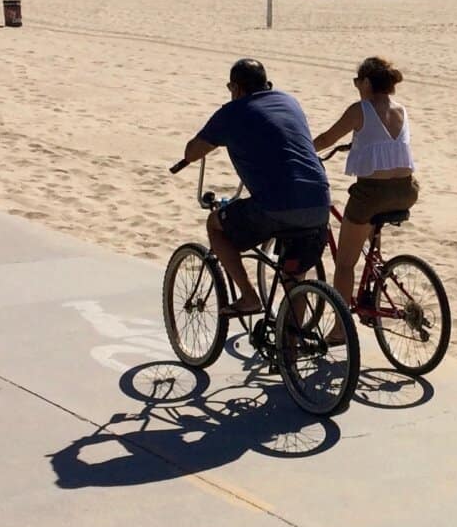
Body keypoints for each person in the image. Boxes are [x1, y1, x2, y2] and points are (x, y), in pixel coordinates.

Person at [175, 58, 331, 318]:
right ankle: (290, 352)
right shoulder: (289, 102)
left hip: (277, 205)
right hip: (319, 201)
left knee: (216, 224)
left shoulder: (232, 112)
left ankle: (248, 297)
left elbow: (192, 151)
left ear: (236, 88)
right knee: (294, 279)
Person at [312, 55, 416, 332]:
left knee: (345, 263)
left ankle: (339, 329)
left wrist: (303, 152)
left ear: (367, 82)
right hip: (406, 190)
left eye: (357, 81)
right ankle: (374, 282)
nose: (356, 85)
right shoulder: (400, 109)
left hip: (372, 194)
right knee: (370, 236)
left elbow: (326, 139)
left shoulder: (360, 109)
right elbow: (383, 145)